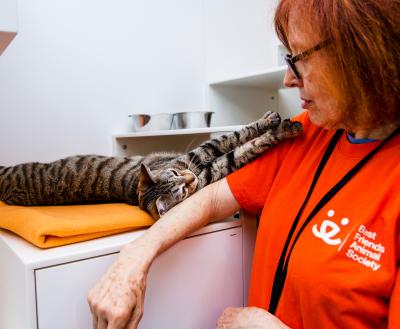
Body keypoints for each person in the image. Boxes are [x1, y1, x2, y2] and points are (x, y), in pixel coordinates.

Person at [87, 0, 400, 328]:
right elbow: (210, 199)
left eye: (298, 59)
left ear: (360, 53)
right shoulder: (304, 133)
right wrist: (135, 255)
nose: (288, 80)